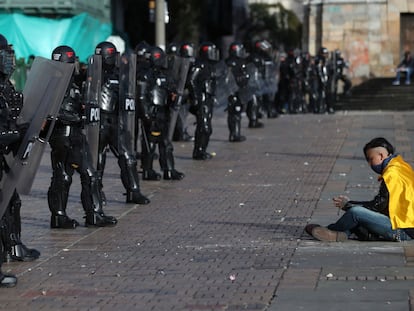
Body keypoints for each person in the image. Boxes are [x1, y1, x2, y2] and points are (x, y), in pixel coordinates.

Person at [47, 45, 117, 229]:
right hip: (64, 136)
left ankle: (73, 215)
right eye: (71, 62)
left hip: (74, 135)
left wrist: (83, 109)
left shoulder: (70, 83)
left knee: (74, 175)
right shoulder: (55, 84)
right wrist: (78, 116)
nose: (74, 66)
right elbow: (53, 112)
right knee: (75, 175)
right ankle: (77, 215)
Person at [305, 137, 414, 242]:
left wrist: (348, 205)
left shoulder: (392, 174)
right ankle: (340, 235)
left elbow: (377, 206)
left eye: (371, 159)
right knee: (360, 216)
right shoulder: (402, 167)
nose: (369, 164)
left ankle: (331, 231)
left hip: (402, 230)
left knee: (355, 213)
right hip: (403, 225)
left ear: (381, 155)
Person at [0, 34, 40, 287]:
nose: (8, 58)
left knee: (10, 201)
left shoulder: (6, 86)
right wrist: (16, 132)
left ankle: (12, 246)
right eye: (4, 53)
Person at [94, 41, 150, 203]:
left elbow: (127, 95)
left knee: (127, 156)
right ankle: (97, 192)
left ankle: (133, 190)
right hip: (100, 121)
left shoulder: (119, 74)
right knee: (98, 160)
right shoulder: (92, 75)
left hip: (116, 121)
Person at [139, 46, 185, 180]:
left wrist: (174, 96)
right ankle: (148, 170)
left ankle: (169, 169)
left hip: (163, 111)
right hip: (152, 112)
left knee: (165, 142)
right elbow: (141, 96)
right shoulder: (145, 75)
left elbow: (170, 88)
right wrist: (146, 114)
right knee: (150, 143)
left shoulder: (164, 74)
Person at [187, 41, 219, 160]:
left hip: (208, 99)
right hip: (202, 99)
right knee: (204, 127)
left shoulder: (210, 66)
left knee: (206, 127)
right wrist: (195, 97)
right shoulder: (199, 65)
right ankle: (198, 151)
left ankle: (201, 150)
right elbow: (191, 81)